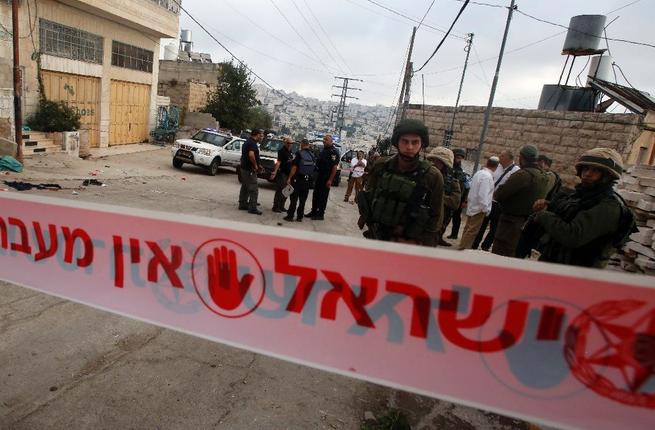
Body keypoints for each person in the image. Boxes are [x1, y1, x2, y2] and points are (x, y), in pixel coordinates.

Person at [357, 119, 444, 246]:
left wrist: (424, 247)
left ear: (422, 144)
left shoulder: (433, 176)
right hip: (378, 236)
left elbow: (435, 217)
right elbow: (370, 194)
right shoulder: (382, 165)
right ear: (397, 142)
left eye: (415, 142)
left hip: (409, 243)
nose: (409, 147)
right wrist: (364, 217)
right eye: (405, 141)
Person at [492, 145, 550, 257]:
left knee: (501, 255)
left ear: (521, 158)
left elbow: (499, 194)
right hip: (528, 224)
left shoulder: (522, 175)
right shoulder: (543, 176)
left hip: (510, 223)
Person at [473, 149, 520, 250]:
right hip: (488, 200)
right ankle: (474, 245)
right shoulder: (496, 167)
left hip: (499, 204)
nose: (500, 157)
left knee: (494, 228)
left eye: (502, 156)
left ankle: (486, 246)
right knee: (481, 224)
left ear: (509, 158)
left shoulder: (516, 171)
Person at [458, 156, 498, 250]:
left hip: (473, 204)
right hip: (479, 208)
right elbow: (483, 195)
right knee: (472, 230)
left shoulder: (479, 173)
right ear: (496, 167)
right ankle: (463, 248)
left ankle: (462, 246)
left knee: (468, 228)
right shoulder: (487, 177)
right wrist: (486, 208)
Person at [426, 146, 461, 247]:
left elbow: (454, 203)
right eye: (432, 160)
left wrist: (436, 196)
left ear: (445, 165)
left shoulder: (452, 183)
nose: (433, 163)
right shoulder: (422, 175)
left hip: (435, 225)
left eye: (438, 161)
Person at [306, 134, 340, 220]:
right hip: (319, 175)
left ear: (331, 141)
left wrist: (330, 180)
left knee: (323, 196)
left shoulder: (334, 152)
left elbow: (334, 167)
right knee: (316, 194)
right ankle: (313, 211)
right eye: (324, 139)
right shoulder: (324, 150)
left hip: (326, 177)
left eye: (326, 140)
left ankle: (320, 214)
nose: (324, 141)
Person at [284, 139, 316, 222]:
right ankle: (299, 217)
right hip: (307, 180)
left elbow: (294, 167)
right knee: (302, 200)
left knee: (294, 199)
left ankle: (290, 216)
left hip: (298, 179)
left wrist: (289, 178)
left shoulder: (299, 153)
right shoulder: (312, 155)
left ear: (302, 144)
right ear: (308, 145)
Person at [238, 128, 264, 215]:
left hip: (244, 168)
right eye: (261, 135)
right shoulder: (252, 143)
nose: (262, 137)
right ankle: (252, 208)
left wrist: (258, 164)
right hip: (249, 169)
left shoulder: (248, 141)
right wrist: (256, 166)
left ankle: (242, 203)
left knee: (245, 187)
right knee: (254, 189)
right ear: (257, 135)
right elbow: (251, 155)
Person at [446, 148, 469, 240]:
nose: (459, 160)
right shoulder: (448, 168)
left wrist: (464, 201)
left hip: (458, 199)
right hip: (448, 197)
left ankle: (454, 234)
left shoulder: (461, 172)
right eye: (457, 157)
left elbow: (467, 187)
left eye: (461, 158)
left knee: (456, 217)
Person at [271, 136, 294, 212]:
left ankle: (282, 206)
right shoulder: (282, 151)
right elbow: (278, 162)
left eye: (291, 143)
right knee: (280, 190)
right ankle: (276, 206)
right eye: (288, 143)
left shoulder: (290, 151)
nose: (289, 144)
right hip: (282, 173)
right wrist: (275, 172)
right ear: (285, 143)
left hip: (288, 173)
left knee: (287, 190)